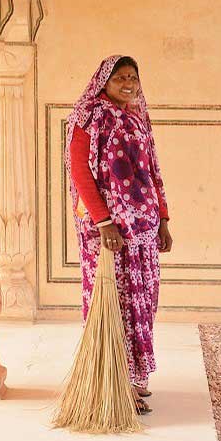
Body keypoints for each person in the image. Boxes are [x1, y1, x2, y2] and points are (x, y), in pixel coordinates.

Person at [66, 55, 173, 415]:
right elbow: (80, 171)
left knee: (141, 304)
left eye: (133, 78)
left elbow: (152, 167)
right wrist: (103, 221)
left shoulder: (138, 116)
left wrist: (163, 218)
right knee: (114, 305)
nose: (128, 84)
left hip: (142, 231)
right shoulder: (89, 116)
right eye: (120, 78)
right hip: (109, 232)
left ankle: (130, 380)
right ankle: (110, 383)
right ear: (103, 81)